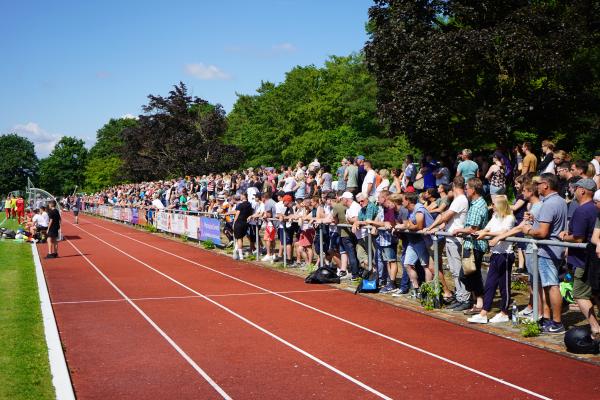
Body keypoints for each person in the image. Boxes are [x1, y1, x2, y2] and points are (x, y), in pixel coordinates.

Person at [522, 173, 568, 334]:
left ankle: (557, 322)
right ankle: (548, 318)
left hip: (547, 250)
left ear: (546, 185)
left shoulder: (549, 204)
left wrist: (527, 229)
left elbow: (542, 232)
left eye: (539, 183)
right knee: (547, 285)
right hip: (555, 249)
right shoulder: (560, 201)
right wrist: (534, 218)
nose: (537, 187)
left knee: (551, 285)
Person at [559, 179, 599, 339]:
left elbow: (578, 238)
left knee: (580, 294)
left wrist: (564, 237)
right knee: (595, 293)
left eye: (575, 188)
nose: (573, 191)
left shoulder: (583, 210)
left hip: (583, 260)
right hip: (591, 259)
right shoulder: (595, 208)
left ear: (582, 191)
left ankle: (595, 327)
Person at [425, 176, 470, 311]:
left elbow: (445, 216)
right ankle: (460, 296)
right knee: (455, 271)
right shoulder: (458, 200)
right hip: (451, 238)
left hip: (456, 240)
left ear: (454, 187)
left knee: (457, 270)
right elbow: (448, 220)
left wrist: (431, 226)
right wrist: (437, 228)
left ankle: (464, 298)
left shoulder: (460, 200)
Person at [468, 195, 516, 324]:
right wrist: (481, 232)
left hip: (505, 254)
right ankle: (484, 312)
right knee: (490, 284)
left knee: (504, 285)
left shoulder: (509, 218)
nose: (491, 206)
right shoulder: (495, 216)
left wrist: (485, 234)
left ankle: (504, 312)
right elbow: (488, 228)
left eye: (493, 204)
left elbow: (503, 232)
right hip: (495, 253)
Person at [452, 178, 489, 316]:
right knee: (472, 274)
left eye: (467, 188)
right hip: (471, 245)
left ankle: (479, 301)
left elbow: (473, 228)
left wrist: (459, 230)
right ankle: (477, 301)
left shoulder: (477, 206)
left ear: (473, 190)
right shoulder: (478, 203)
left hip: (474, 246)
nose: (466, 190)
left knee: (468, 275)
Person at [232, 193, 253, 260]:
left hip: (239, 222)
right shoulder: (249, 204)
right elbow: (251, 212)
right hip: (245, 223)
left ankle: (240, 255)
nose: (240, 197)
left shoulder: (240, 205)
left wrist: (234, 223)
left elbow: (237, 214)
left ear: (244, 196)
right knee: (240, 238)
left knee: (239, 239)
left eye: (241, 196)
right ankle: (236, 251)